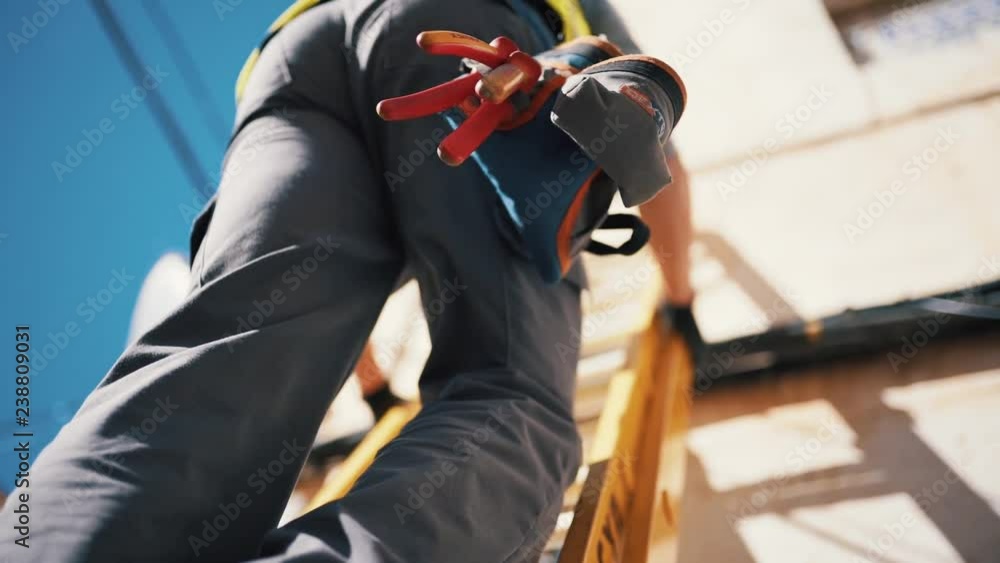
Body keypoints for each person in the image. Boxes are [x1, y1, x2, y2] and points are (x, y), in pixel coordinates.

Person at [0, 1, 688, 561]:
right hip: (470, 47)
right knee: (512, 398)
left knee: (225, 354)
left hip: (297, 60)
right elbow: (655, 160)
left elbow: (302, 288)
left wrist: (370, 382)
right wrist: (681, 298)